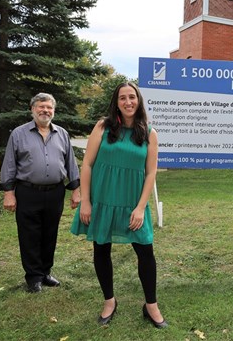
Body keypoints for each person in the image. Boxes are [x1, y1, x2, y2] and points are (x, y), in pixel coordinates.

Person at [70, 82, 167, 328]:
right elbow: (88, 165)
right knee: (101, 249)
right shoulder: (102, 127)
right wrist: (86, 201)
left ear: (139, 100)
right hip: (103, 200)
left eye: (132, 97)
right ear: (116, 102)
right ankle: (109, 301)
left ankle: (151, 306)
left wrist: (141, 207)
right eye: (122, 98)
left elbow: (150, 173)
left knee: (145, 251)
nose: (128, 102)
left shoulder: (149, 133)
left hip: (133, 203)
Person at [0, 93, 81, 293]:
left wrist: (76, 190)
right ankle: (33, 276)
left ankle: (45, 272)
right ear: (32, 109)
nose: (45, 111)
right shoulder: (18, 134)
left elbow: (71, 163)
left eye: (49, 107)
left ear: (53, 110)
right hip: (28, 192)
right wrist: (8, 192)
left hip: (55, 192)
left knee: (49, 233)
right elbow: (9, 164)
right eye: (41, 107)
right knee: (29, 235)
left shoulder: (61, 133)